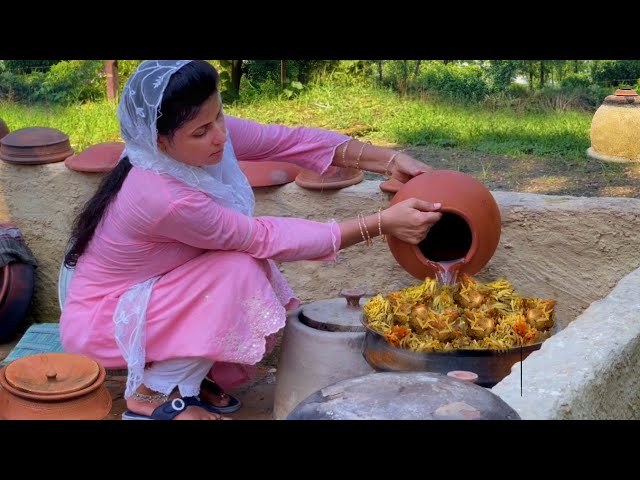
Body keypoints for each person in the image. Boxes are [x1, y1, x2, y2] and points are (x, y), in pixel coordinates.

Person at [59, 60, 442, 420]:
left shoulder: (199, 139)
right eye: (202, 131)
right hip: (105, 318)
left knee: (241, 267)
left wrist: (389, 160)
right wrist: (381, 223)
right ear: (159, 141)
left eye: (219, 116)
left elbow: (286, 141)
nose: (220, 136)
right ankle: (153, 392)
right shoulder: (165, 197)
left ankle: (185, 376)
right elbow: (262, 237)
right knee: (240, 269)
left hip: (152, 291)